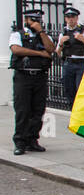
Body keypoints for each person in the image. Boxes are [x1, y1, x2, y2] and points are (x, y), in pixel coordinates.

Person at [9, 9, 54, 155]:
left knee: (38, 110)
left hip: (39, 77)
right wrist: (39, 53)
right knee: (23, 110)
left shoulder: (43, 36)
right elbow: (16, 50)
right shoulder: (18, 34)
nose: (36, 23)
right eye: (32, 20)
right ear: (26, 20)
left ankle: (32, 140)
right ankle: (20, 142)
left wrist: (41, 32)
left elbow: (51, 49)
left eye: (38, 20)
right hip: (23, 77)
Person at [56, 7, 84, 106]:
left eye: (73, 17)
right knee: (69, 89)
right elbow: (58, 54)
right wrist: (61, 44)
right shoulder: (63, 33)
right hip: (69, 63)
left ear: (77, 18)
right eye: (68, 17)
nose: (70, 19)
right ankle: (73, 110)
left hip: (82, 63)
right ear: (65, 19)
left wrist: (83, 40)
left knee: (80, 89)